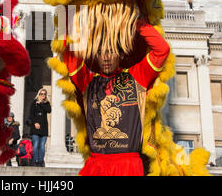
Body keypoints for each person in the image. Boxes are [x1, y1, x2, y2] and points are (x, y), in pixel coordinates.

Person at [64, 18, 170, 176]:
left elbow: (162, 50)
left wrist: (134, 21)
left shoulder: (137, 76)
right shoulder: (87, 82)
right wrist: (67, 15)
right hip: (95, 165)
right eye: (100, 52)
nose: (106, 57)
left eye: (111, 51)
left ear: (120, 54)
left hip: (129, 165)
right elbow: (66, 51)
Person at [28, 88, 51, 167]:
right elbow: (31, 115)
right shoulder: (34, 102)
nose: (43, 95)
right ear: (39, 94)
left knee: (42, 146)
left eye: (44, 94)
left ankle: (41, 161)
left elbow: (49, 110)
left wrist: (41, 103)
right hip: (35, 127)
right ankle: (35, 160)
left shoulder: (46, 103)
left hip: (44, 128)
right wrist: (34, 123)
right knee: (35, 145)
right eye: (41, 94)